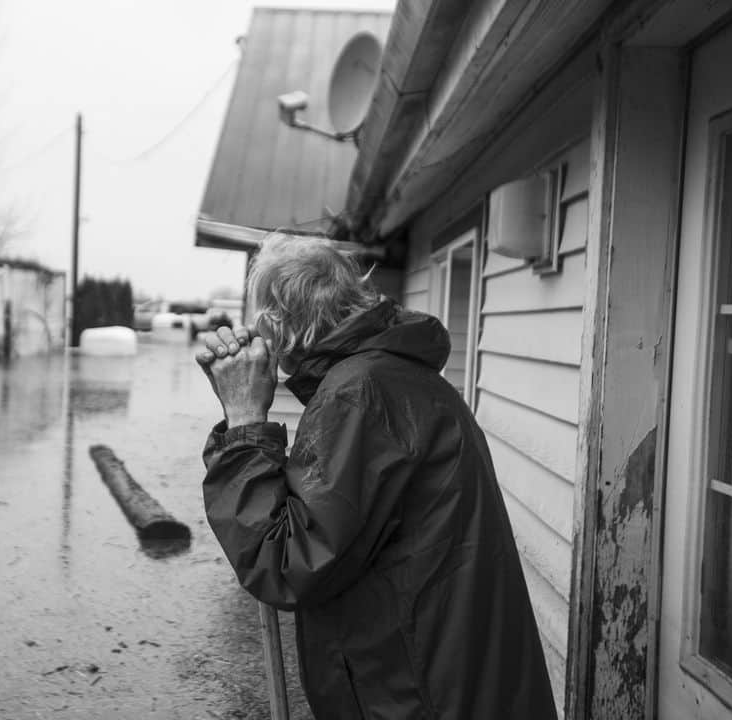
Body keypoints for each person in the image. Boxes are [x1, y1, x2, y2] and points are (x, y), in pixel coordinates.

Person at [195, 233, 557, 719]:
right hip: (449, 680)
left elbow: (286, 563)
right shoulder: (399, 377)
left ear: (277, 324)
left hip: (419, 694)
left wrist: (243, 421)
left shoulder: (359, 396)